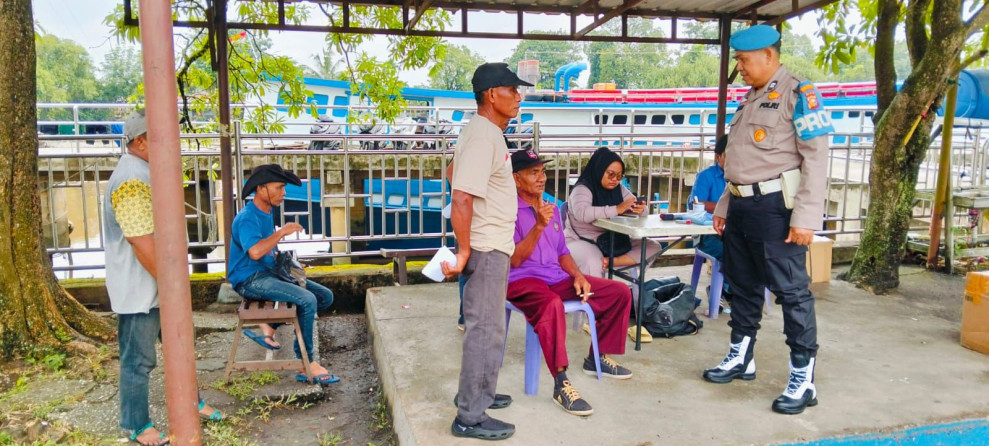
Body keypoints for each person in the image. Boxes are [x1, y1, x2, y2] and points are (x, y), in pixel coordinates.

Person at [703, 25, 833, 415]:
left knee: (791, 292)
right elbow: (742, 163)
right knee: (742, 286)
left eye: (744, 60)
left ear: (769, 57)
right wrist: (726, 205)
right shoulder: (750, 98)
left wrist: (806, 217)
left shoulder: (799, 94)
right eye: (738, 60)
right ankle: (741, 357)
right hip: (742, 208)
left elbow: (816, 159)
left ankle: (802, 376)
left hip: (777, 209)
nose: (739, 68)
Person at [103, 110, 223, 446]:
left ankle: (190, 402)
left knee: (179, 346)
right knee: (138, 359)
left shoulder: (145, 172)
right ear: (140, 142)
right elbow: (140, 241)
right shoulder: (131, 179)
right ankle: (136, 424)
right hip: (142, 290)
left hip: (157, 286)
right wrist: (172, 287)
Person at [441, 62, 532, 441]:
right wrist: (464, 251)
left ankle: (477, 393)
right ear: (492, 94)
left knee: (488, 328)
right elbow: (461, 195)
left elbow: (452, 173)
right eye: (512, 90)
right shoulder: (483, 135)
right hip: (486, 247)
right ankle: (470, 417)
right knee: (486, 331)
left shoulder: (483, 133)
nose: (519, 96)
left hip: (491, 244)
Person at [507, 149, 633, 416]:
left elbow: (563, 252)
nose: (541, 178)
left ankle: (596, 357)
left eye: (542, 171)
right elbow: (514, 260)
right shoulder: (508, 211)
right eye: (533, 173)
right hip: (521, 280)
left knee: (619, 293)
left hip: (556, 277)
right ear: (517, 179)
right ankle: (561, 384)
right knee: (552, 305)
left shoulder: (551, 208)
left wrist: (577, 276)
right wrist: (538, 226)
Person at [227, 164, 338, 385]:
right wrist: (281, 232)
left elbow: (267, 251)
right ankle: (307, 363)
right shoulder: (247, 217)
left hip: (268, 272)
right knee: (307, 300)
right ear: (261, 188)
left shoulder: (266, 211)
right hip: (249, 279)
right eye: (279, 187)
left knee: (325, 296)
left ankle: (270, 326)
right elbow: (256, 251)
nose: (283, 193)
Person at [565, 147, 654, 277]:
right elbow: (582, 213)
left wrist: (640, 209)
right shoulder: (582, 189)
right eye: (610, 174)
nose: (615, 180)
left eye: (619, 176)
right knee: (593, 262)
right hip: (581, 240)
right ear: (599, 170)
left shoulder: (619, 189)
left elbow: (635, 205)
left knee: (652, 247)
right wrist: (617, 209)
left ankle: (611, 262)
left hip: (613, 240)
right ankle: (596, 296)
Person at [688, 135, 731, 311]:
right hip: (707, 236)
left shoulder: (743, 177)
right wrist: (727, 207)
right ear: (718, 156)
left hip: (732, 232)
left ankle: (726, 291)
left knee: (748, 250)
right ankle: (724, 292)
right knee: (728, 252)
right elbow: (696, 203)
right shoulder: (706, 176)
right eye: (729, 155)